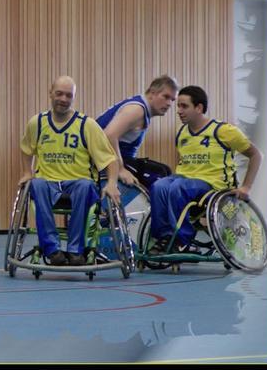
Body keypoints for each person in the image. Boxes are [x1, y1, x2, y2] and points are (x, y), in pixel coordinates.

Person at [147, 85, 263, 255]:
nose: (179, 110)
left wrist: (246, 187)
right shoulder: (182, 134)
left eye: (184, 106)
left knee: (176, 188)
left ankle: (182, 240)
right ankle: (165, 238)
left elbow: (256, 155)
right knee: (159, 186)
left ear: (199, 108)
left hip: (213, 186)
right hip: (185, 181)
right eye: (178, 105)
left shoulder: (223, 131)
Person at [19, 76, 120, 267]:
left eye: (68, 95)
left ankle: (76, 250)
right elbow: (26, 149)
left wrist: (112, 183)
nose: (63, 99)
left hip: (78, 181)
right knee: (36, 184)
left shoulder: (86, 125)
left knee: (85, 185)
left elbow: (110, 159)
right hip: (47, 181)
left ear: (73, 98)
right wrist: (27, 172)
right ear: (51, 93)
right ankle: (52, 250)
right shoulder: (37, 123)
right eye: (59, 94)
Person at [96, 75, 179, 188]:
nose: (169, 103)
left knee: (165, 170)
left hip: (110, 158)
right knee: (159, 177)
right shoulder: (137, 110)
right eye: (166, 97)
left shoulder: (141, 107)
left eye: (172, 100)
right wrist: (120, 169)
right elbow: (109, 135)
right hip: (99, 161)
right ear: (152, 93)